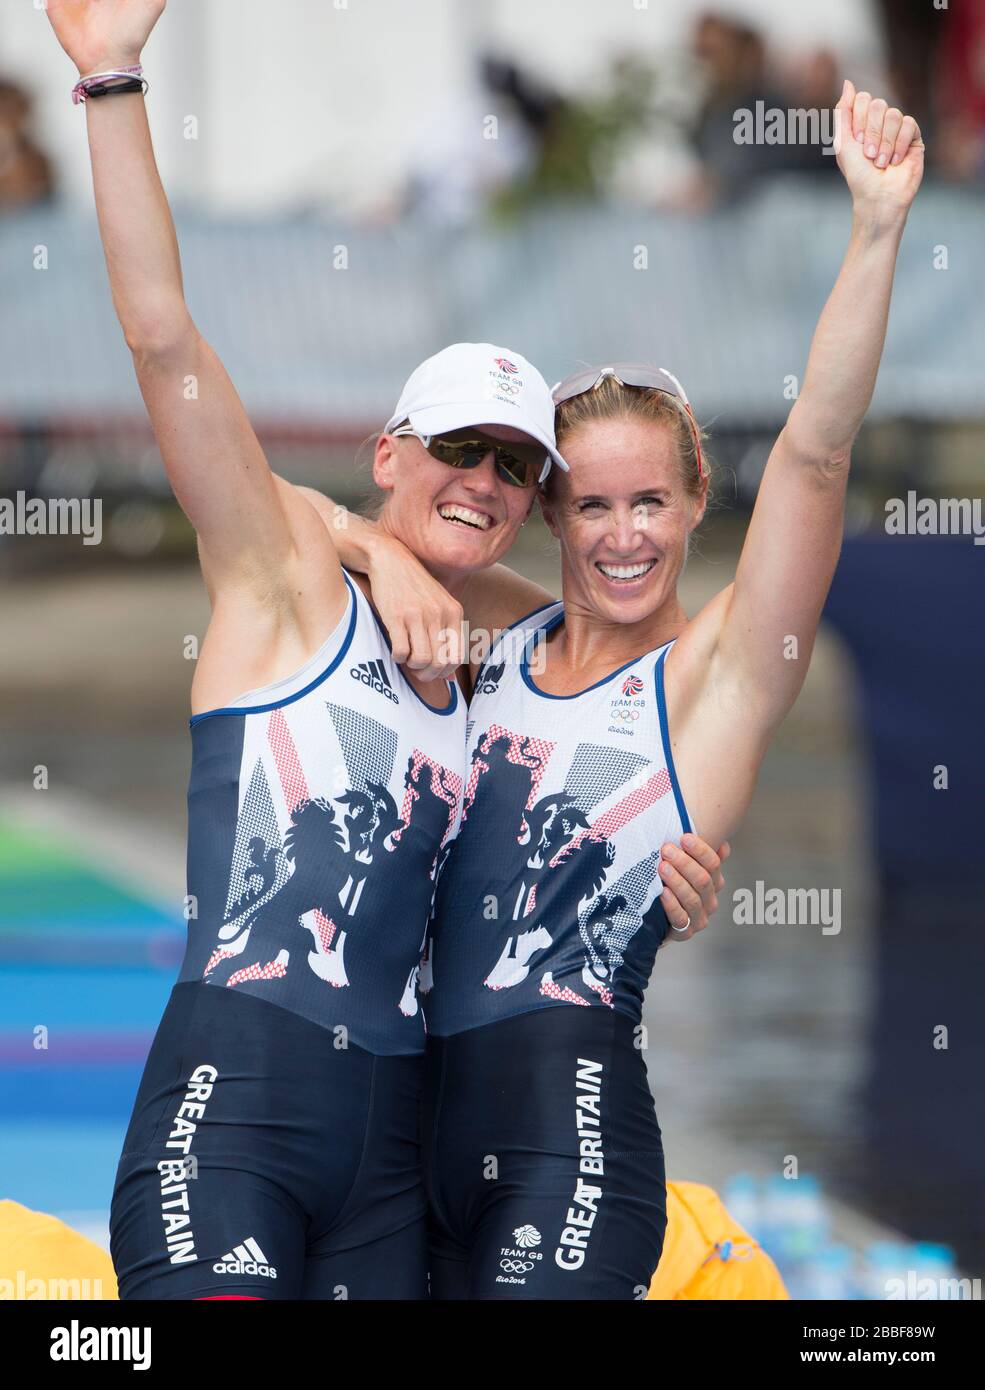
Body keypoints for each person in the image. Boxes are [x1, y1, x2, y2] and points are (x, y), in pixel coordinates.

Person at [43, 0, 727, 1299]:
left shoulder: (514, 655)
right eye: (458, 449)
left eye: (515, 466)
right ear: (389, 454)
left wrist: (681, 865)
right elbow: (162, 339)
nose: (481, 479)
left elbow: (675, 680)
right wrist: (114, 81)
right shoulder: (282, 575)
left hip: (402, 1159)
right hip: (234, 1111)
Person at [351, 79, 923, 1299]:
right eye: (593, 504)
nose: (623, 537)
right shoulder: (481, 635)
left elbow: (817, 450)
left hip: (572, 1152)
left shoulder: (713, 676)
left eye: (651, 501)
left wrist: (874, 228)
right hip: (395, 1148)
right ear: (548, 511)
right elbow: (282, 522)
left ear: (696, 502)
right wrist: (376, 551)